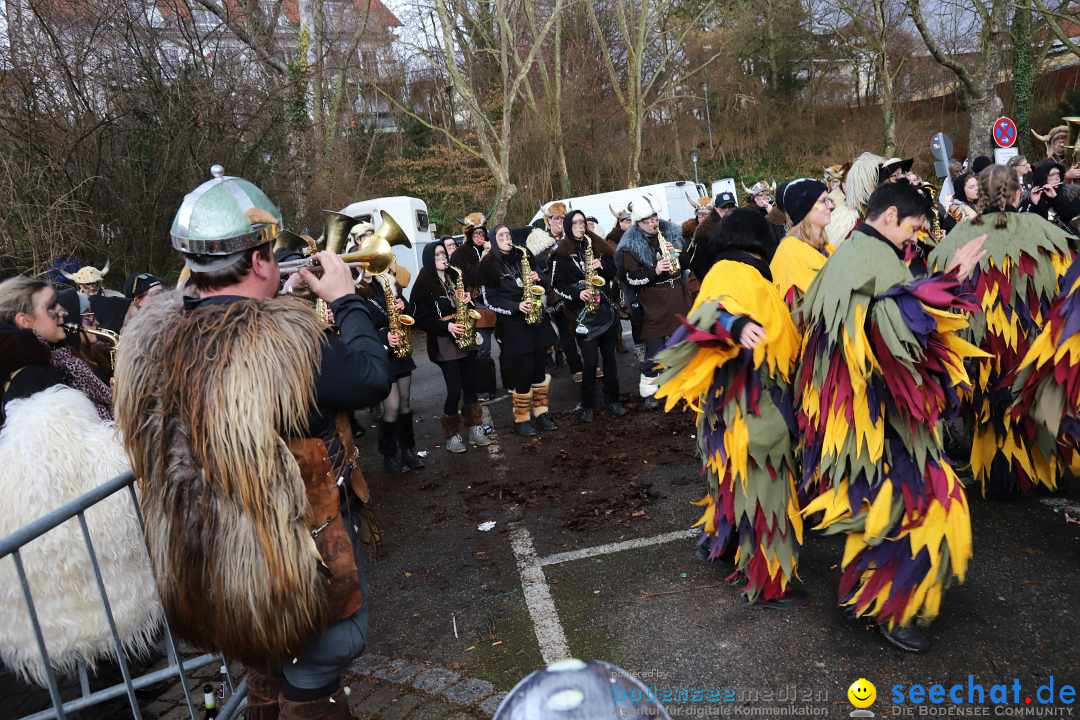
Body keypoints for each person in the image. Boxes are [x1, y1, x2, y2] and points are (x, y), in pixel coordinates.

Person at [113, 167, 391, 720]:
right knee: (318, 667)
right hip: (284, 575)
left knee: (264, 668)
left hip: (209, 572)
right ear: (261, 259)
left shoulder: (150, 341)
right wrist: (346, 299)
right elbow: (368, 376)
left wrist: (279, 305)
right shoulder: (281, 346)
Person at [796, 180, 986, 653]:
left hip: (868, 425)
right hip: (878, 427)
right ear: (888, 218)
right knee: (924, 511)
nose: (915, 237)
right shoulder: (872, 264)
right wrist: (951, 285)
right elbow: (896, 337)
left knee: (889, 514)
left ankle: (879, 601)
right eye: (913, 227)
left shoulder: (855, 255)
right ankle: (895, 611)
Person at [0, 275, 161, 689]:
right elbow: (80, 469)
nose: (63, 312)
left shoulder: (43, 367)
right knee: (106, 683)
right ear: (24, 320)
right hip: (77, 573)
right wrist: (128, 426)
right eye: (50, 307)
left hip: (64, 576)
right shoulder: (35, 382)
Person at [657, 209, 804, 607]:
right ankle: (768, 581)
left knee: (732, 484)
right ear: (759, 241)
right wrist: (733, 325)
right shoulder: (734, 273)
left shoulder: (738, 273)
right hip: (750, 407)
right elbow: (709, 315)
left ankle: (721, 544)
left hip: (733, 408)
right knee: (764, 490)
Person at [927, 164, 1074, 496]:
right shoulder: (1041, 230)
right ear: (1019, 192)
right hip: (1033, 342)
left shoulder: (959, 236)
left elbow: (941, 284)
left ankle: (999, 475)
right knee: (1032, 401)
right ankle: (1041, 470)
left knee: (991, 410)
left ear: (980, 195)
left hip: (981, 348)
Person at [348, 223, 423, 474]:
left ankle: (408, 450)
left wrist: (403, 306)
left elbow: (411, 310)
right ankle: (389, 454)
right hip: (381, 353)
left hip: (400, 350)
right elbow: (357, 327)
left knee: (405, 404)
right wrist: (383, 337)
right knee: (389, 407)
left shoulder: (385, 282)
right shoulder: (355, 287)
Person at [480, 224, 559, 436]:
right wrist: (516, 307)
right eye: (501, 235)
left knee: (540, 370)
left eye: (508, 234)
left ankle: (542, 413)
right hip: (514, 325)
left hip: (536, 320)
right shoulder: (488, 264)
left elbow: (544, 282)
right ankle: (521, 418)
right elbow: (490, 300)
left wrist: (537, 279)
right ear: (494, 240)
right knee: (523, 373)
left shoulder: (523, 254)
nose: (506, 238)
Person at [412, 242, 491, 453]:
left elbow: (467, 306)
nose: (443, 257)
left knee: (471, 385)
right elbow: (420, 319)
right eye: (438, 254)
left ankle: (475, 428)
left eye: (444, 253)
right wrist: (446, 326)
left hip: (465, 335)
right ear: (429, 258)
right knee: (454, 389)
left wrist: (467, 301)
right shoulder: (423, 283)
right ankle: (452, 435)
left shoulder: (455, 276)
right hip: (444, 341)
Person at [615, 195, 691, 410]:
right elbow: (630, 278)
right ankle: (648, 389)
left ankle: (680, 386)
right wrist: (655, 270)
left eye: (655, 218)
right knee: (655, 349)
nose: (653, 223)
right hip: (654, 302)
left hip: (678, 297)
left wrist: (679, 257)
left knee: (681, 344)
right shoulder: (629, 247)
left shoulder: (670, 234)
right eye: (647, 220)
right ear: (638, 223)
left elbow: (685, 261)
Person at [550, 209, 625, 423]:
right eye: (575, 223)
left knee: (610, 359)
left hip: (605, 312)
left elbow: (613, 270)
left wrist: (603, 265)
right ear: (567, 227)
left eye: (582, 222)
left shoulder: (597, 245)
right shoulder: (560, 253)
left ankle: (613, 401)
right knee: (590, 362)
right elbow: (555, 285)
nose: (580, 226)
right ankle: (587, 405)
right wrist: (577, 293)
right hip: (582, 315)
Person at [770, 178, 833, 318]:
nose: (831, 206)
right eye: (823, 201)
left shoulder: (827, 247)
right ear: (806, 209)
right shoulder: (790, 253)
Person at [452, 213, 500, 398]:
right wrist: (484, 259)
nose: (480, 237)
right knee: (482, 348)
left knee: (506, 342)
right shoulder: (460, 254)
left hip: (497, 300)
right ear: (470, 235)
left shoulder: (493, 249)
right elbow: (469, 279)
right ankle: (484, 389)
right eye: (476, 234)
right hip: (476, 303)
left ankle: (512, 381)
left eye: (482, 233)